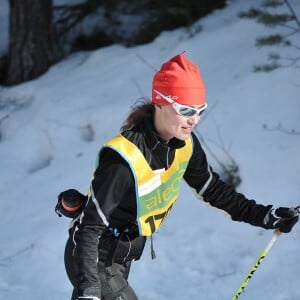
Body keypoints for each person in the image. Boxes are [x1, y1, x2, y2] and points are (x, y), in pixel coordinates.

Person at [56, 52, 299, 300]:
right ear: (160, 103)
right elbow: (89, 228)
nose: (194, 119)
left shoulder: (185, 145)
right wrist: (89, 291)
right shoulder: (122, 158)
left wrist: (265, 216)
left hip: (120, 257)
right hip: (93, 258)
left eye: (199, 110)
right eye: (185, 110)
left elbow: (214, 191)